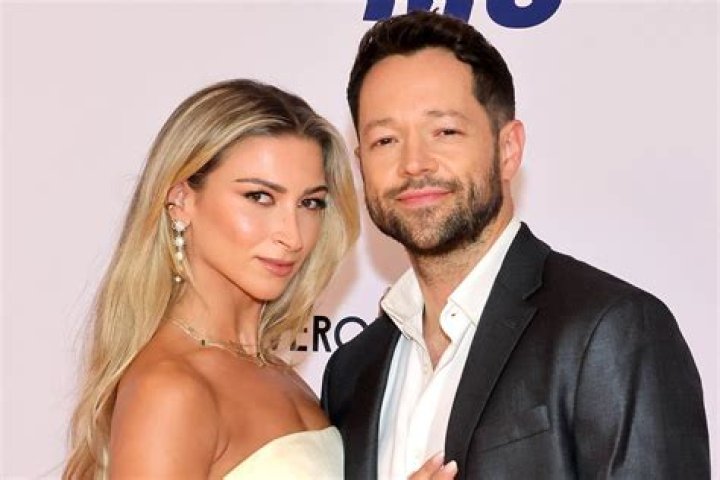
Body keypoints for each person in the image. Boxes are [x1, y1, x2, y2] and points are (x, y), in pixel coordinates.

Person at [322, 11, 710, 480]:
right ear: (361, 163)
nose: (414, 163)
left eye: (444, 131)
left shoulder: (610, 330)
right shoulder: (351, 373)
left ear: (508, 149)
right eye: (385, 140)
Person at [63, 79, 361, 478]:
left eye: (310, 203)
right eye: (259, 197)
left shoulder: (275, 372)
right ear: (181, 201)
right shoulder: (170, 389)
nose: (292, 236)